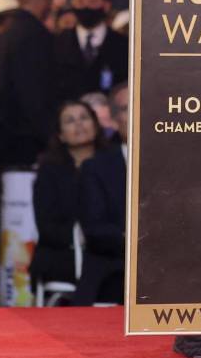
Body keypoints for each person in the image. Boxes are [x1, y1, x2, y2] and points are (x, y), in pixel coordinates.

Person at [30, 101, 107, 289]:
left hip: (110, 251)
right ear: (61, 135)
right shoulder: (50, 172)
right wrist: (82, 237)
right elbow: (47, 226)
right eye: (70, 121)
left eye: (84, 118)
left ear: (96, 126)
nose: (79, 124)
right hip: (64, 253)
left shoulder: (115, 164)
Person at [0, 0, 58, 167]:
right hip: (28, 143)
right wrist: (49, 137)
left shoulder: (7, 30)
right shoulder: (33, 35)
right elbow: (33, 91)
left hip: (11, 136)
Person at [75, 84, 129, 305]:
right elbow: (95, 228)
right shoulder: (96, 167)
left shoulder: (178, 165)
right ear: (114, 121)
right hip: (115, 265)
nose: (139, 114)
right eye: (128, 108)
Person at [53, 0, 128, 102]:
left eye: (92, 2)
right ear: (72, 3)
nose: (86, 7)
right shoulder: (58, 43)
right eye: (80, 2)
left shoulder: (123, 45)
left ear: (106, 5)